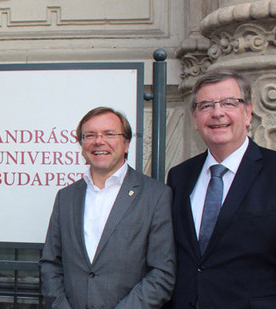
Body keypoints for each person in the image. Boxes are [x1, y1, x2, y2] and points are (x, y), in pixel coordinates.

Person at [166, 69, 276, 308]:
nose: (217, 113)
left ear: (248, 113)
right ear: (195, 119)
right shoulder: (180, 177)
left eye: (228, 103)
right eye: (206, 106)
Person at [40, 107, 175, 308]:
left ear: (127, 143)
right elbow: (51, 263)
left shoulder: (155, 196)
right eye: (90, 135)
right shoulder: (66, 197)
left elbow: (162, 273)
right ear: (82, 145)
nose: (99, 141)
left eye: (109, 134)